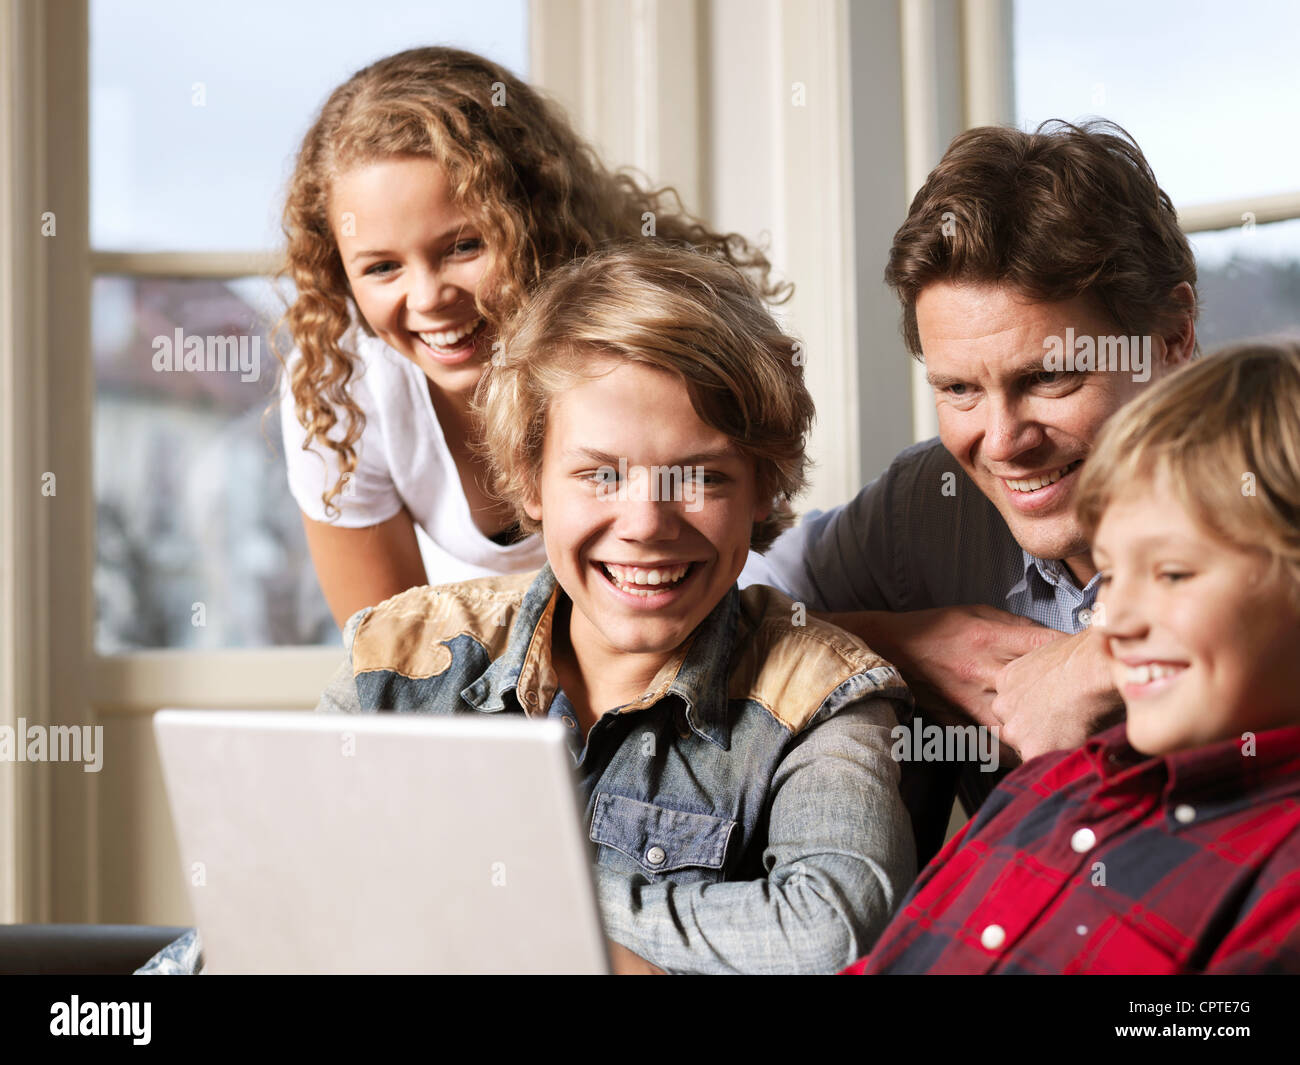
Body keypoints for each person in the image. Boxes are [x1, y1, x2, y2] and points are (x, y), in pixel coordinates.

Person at [139, 242, 916, 976]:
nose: (646, 522)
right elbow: (273, 904)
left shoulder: (825, 696)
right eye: (600, 475)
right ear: (531, 481)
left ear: (764, 490)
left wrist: (496, 891)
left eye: (700, 477)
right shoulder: (405, 653)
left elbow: (833, 933)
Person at [739, 119, 1198, 859]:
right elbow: (727, 609)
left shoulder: (1263, 467)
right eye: (958, 388)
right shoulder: (931, 503)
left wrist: (1103, 658)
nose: (1005, 439)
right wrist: (908, 646)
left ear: (1174, 337)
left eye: (1048, 377)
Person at [276, 46, 788, 628]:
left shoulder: (639, 329)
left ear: (535, 219)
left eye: (464, 247)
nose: (427, 299)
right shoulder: (337, 389)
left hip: (690, 613)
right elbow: (387, 654)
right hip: (512, 661)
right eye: (381, 267)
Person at [843, 338, 1300, 974]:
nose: (1116, 627)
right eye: (1111, 576)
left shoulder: (1282, 876)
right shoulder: (1047, 783)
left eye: (1171, 574)